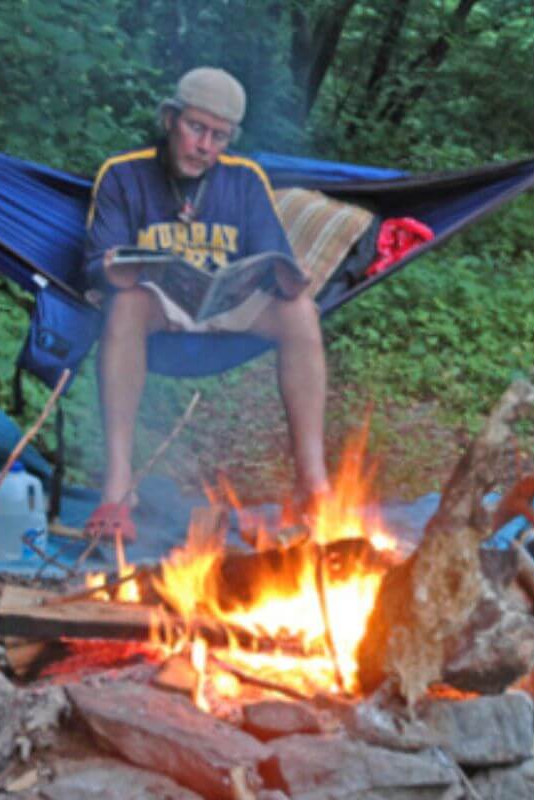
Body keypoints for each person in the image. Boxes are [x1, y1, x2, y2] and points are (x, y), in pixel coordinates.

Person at [82, 67, 329, 540]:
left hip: (228, 304)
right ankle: (117, 489)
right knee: (126, 304)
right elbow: (95, 266)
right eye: (196, 128)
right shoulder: (123, 175)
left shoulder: (244, 180)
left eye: (219, 136)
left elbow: (272, 259)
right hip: (160, 306)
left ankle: (312, 484)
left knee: (301, 313)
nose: (205, 146)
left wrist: (289, 279)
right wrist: (116, 266)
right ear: (170, 119)